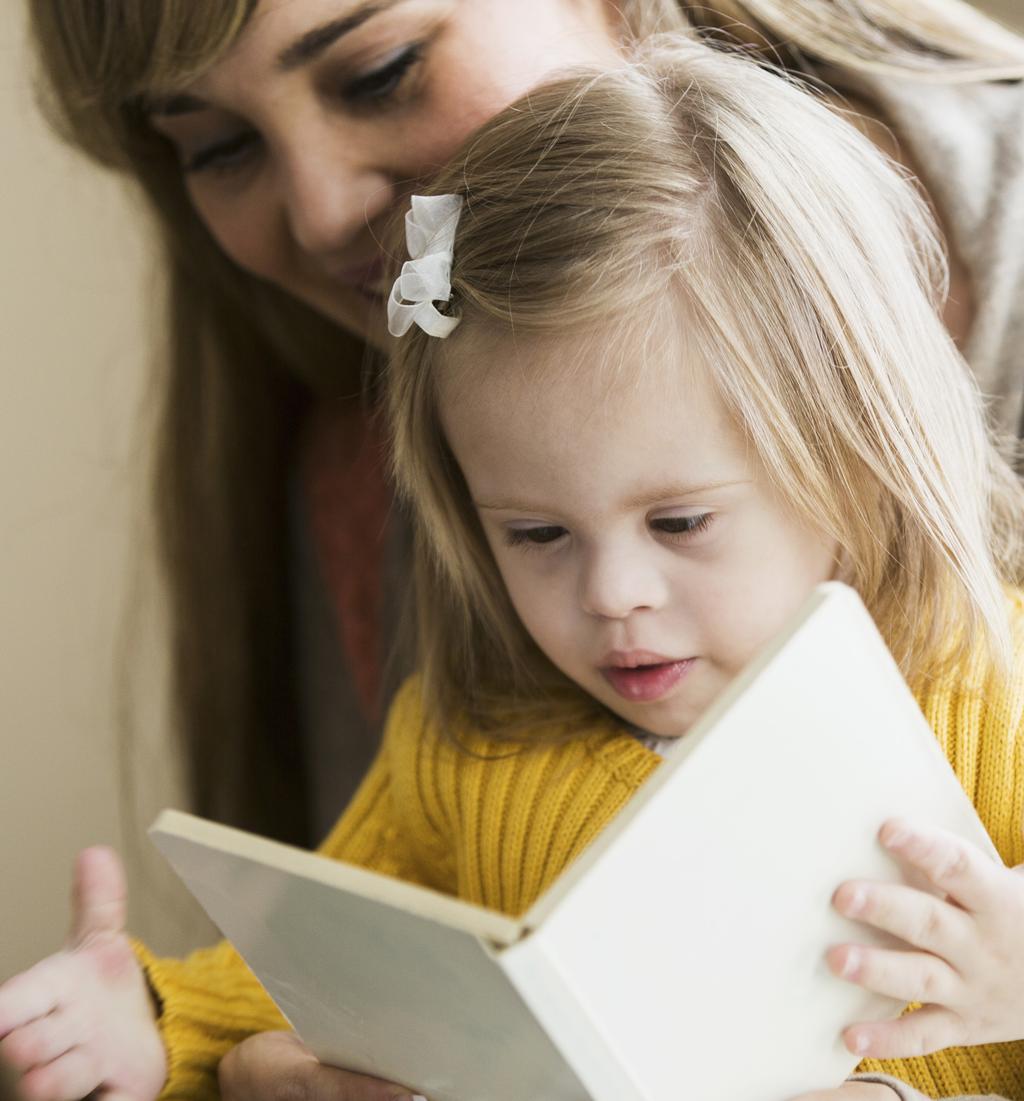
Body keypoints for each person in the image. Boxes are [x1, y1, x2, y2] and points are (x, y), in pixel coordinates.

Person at [6, 35, 1024, 1101]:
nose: (610, 594)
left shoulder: (993, 698)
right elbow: (290, 981)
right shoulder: (460, 748)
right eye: (536, 535)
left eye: (677, 523)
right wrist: (145, 1026)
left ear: (855, 465)